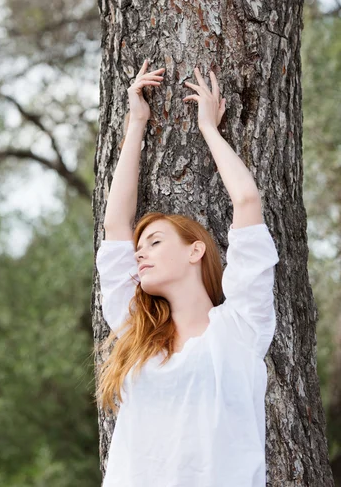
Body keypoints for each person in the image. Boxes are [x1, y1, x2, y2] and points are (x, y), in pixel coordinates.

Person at [94, 60, 280, 487]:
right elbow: (115, 227)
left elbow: (247, 202)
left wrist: (209, 130)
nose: (139, 255)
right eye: (138, 251)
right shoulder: (136, 332)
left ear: (196, 250)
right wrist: (136, 122)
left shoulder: (241, 326)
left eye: (155, 243)